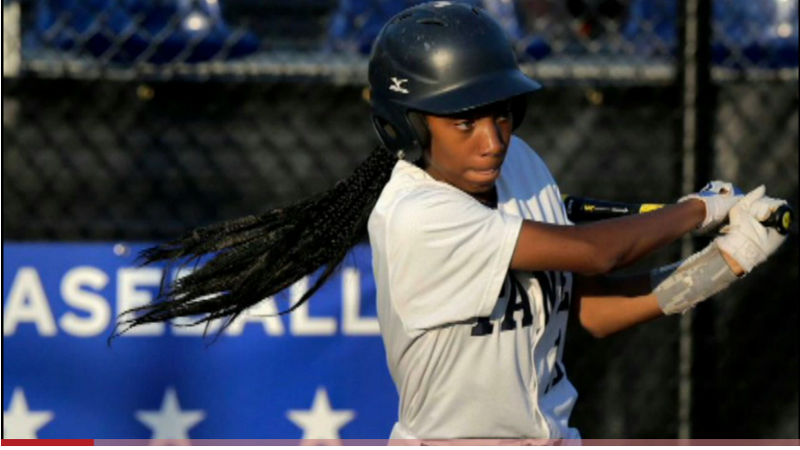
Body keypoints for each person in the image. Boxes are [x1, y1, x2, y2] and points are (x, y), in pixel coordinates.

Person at [115, 1, 790, 442]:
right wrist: (702, 208)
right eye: (464, 120)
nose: (491, 138)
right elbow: (596, 256)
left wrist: (718, 265)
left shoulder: (518, 164)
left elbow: (576, 310)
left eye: (500, 113)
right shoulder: (416, 216)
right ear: (409, 127)